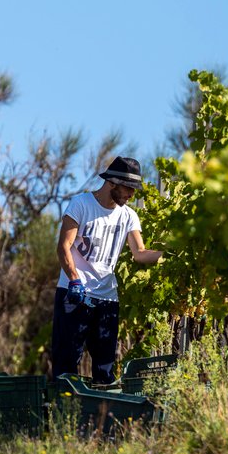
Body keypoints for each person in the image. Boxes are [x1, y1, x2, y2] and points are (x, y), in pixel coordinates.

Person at [51, 156, 162, 385]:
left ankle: (101, 416)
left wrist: (167, 257)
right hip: (74, 294)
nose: (132, 195)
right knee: (66, 362)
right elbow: (63, 247)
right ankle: (64, 415)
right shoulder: (81, 204)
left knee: (105, 367)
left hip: (106, 299)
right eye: (128, 188)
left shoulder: (129, 215)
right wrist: (74, 280)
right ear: (112, 182)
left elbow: (139, 253)